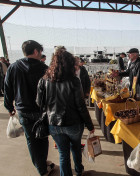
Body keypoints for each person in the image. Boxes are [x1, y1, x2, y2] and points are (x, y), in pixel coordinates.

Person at [36, 48, 94, 176]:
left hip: (54, 124)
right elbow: (81, 106)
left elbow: (39, 102)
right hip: (74, 123)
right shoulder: (74, 81)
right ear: (70, 64)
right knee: (76, 148)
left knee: (63, 154)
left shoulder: (44, 80)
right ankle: (79, 170)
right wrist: (90, 125)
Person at [4, 40, 53, 176]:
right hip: (41, 111)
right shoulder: (44, 68)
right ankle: (42, 164)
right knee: (42, 137)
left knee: (31, 139)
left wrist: (9, 106)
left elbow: (7, 88)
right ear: (36, 51)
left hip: (22, 110)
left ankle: (40, 168)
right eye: (40, 52)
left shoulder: (13, 67)